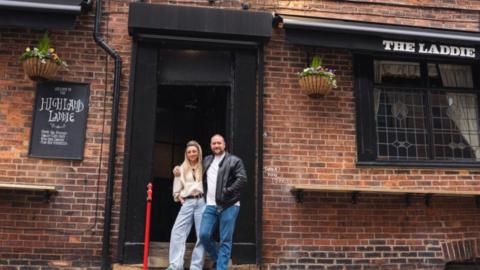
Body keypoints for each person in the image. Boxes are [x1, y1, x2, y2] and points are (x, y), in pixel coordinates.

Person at [199, 134, 247, 270]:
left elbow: (242, 178)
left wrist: (228, 190)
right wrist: (178, 169)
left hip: (229, 205)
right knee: (204, 235)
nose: (216, 146)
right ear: (210, 145)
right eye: (214, 143)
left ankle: (221, 267)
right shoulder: (207, 160)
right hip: (210, 205)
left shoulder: (234, 160)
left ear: (224, 145)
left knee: (225, 240)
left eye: (219, 143)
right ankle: (219, 259)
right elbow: (192, 166)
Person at [167, 140, 206, 270]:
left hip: (202, 201)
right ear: (186, 154)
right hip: (188, 202)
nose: (191, 154)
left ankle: (196, 266)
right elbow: (176, 188)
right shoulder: (181, 168)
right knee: (177, 232)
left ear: (198, 152)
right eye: (189, 152)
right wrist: (178, 196)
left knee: (202, 234)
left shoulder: (205, 166)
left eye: (194, 151)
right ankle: (175, 265)